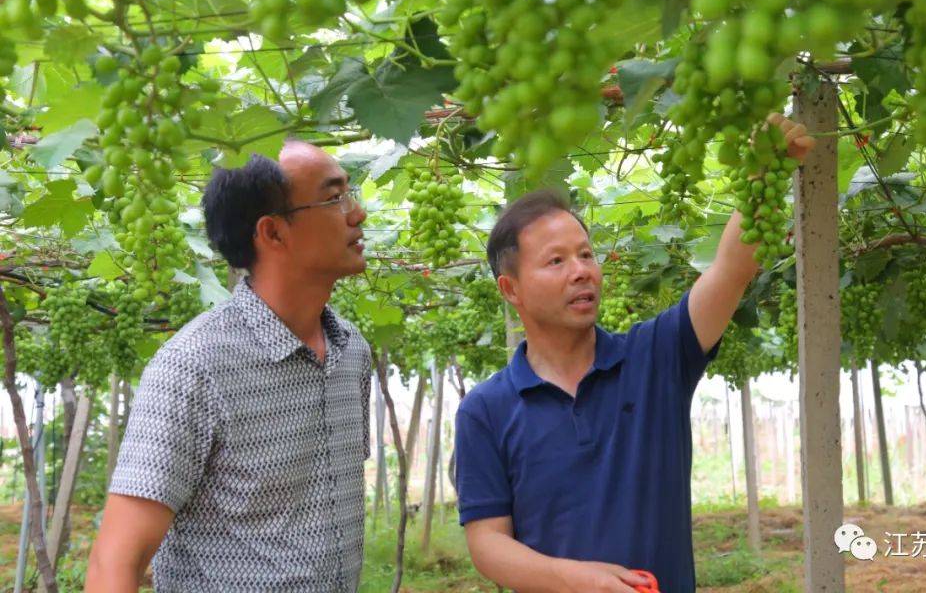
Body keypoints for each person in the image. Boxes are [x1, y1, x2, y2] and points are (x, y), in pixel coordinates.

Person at [454, 114, 815, 592]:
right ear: (511, 289)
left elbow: (730, 269)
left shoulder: (658, 357)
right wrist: (579, 581)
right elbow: (488, 544)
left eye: (586, 255)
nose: (581, 271)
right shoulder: (485, 410)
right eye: (556, 261)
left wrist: (763, 173)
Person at [86, 141, 372, 593]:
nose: (357, 214)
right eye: (334, 198)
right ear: (273, 233)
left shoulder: (352, 351)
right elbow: (114, 564)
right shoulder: (193, 368)